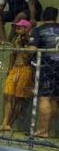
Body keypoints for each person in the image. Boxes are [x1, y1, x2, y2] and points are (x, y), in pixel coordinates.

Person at [0, 20, 34, 132]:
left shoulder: (31, 40)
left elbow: (26, 57)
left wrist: (19, 45)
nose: (17, 30)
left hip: (25, 69)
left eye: (19, 28)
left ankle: (10, 123)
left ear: (26, 28)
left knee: (19, 99)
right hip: (14, 69)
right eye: (16, 28)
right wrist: (10, 68)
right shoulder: (15, 39)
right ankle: (4, 123)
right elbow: (13, 55)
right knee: (7, 95)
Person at [29, 7, 59, 138]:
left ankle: (43, 130)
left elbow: (32, 49)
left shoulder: (38, 30)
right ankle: (53, 130)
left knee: (45, 98)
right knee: (56, 98)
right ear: (56, 17)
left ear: (42, 17)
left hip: (47, 67)